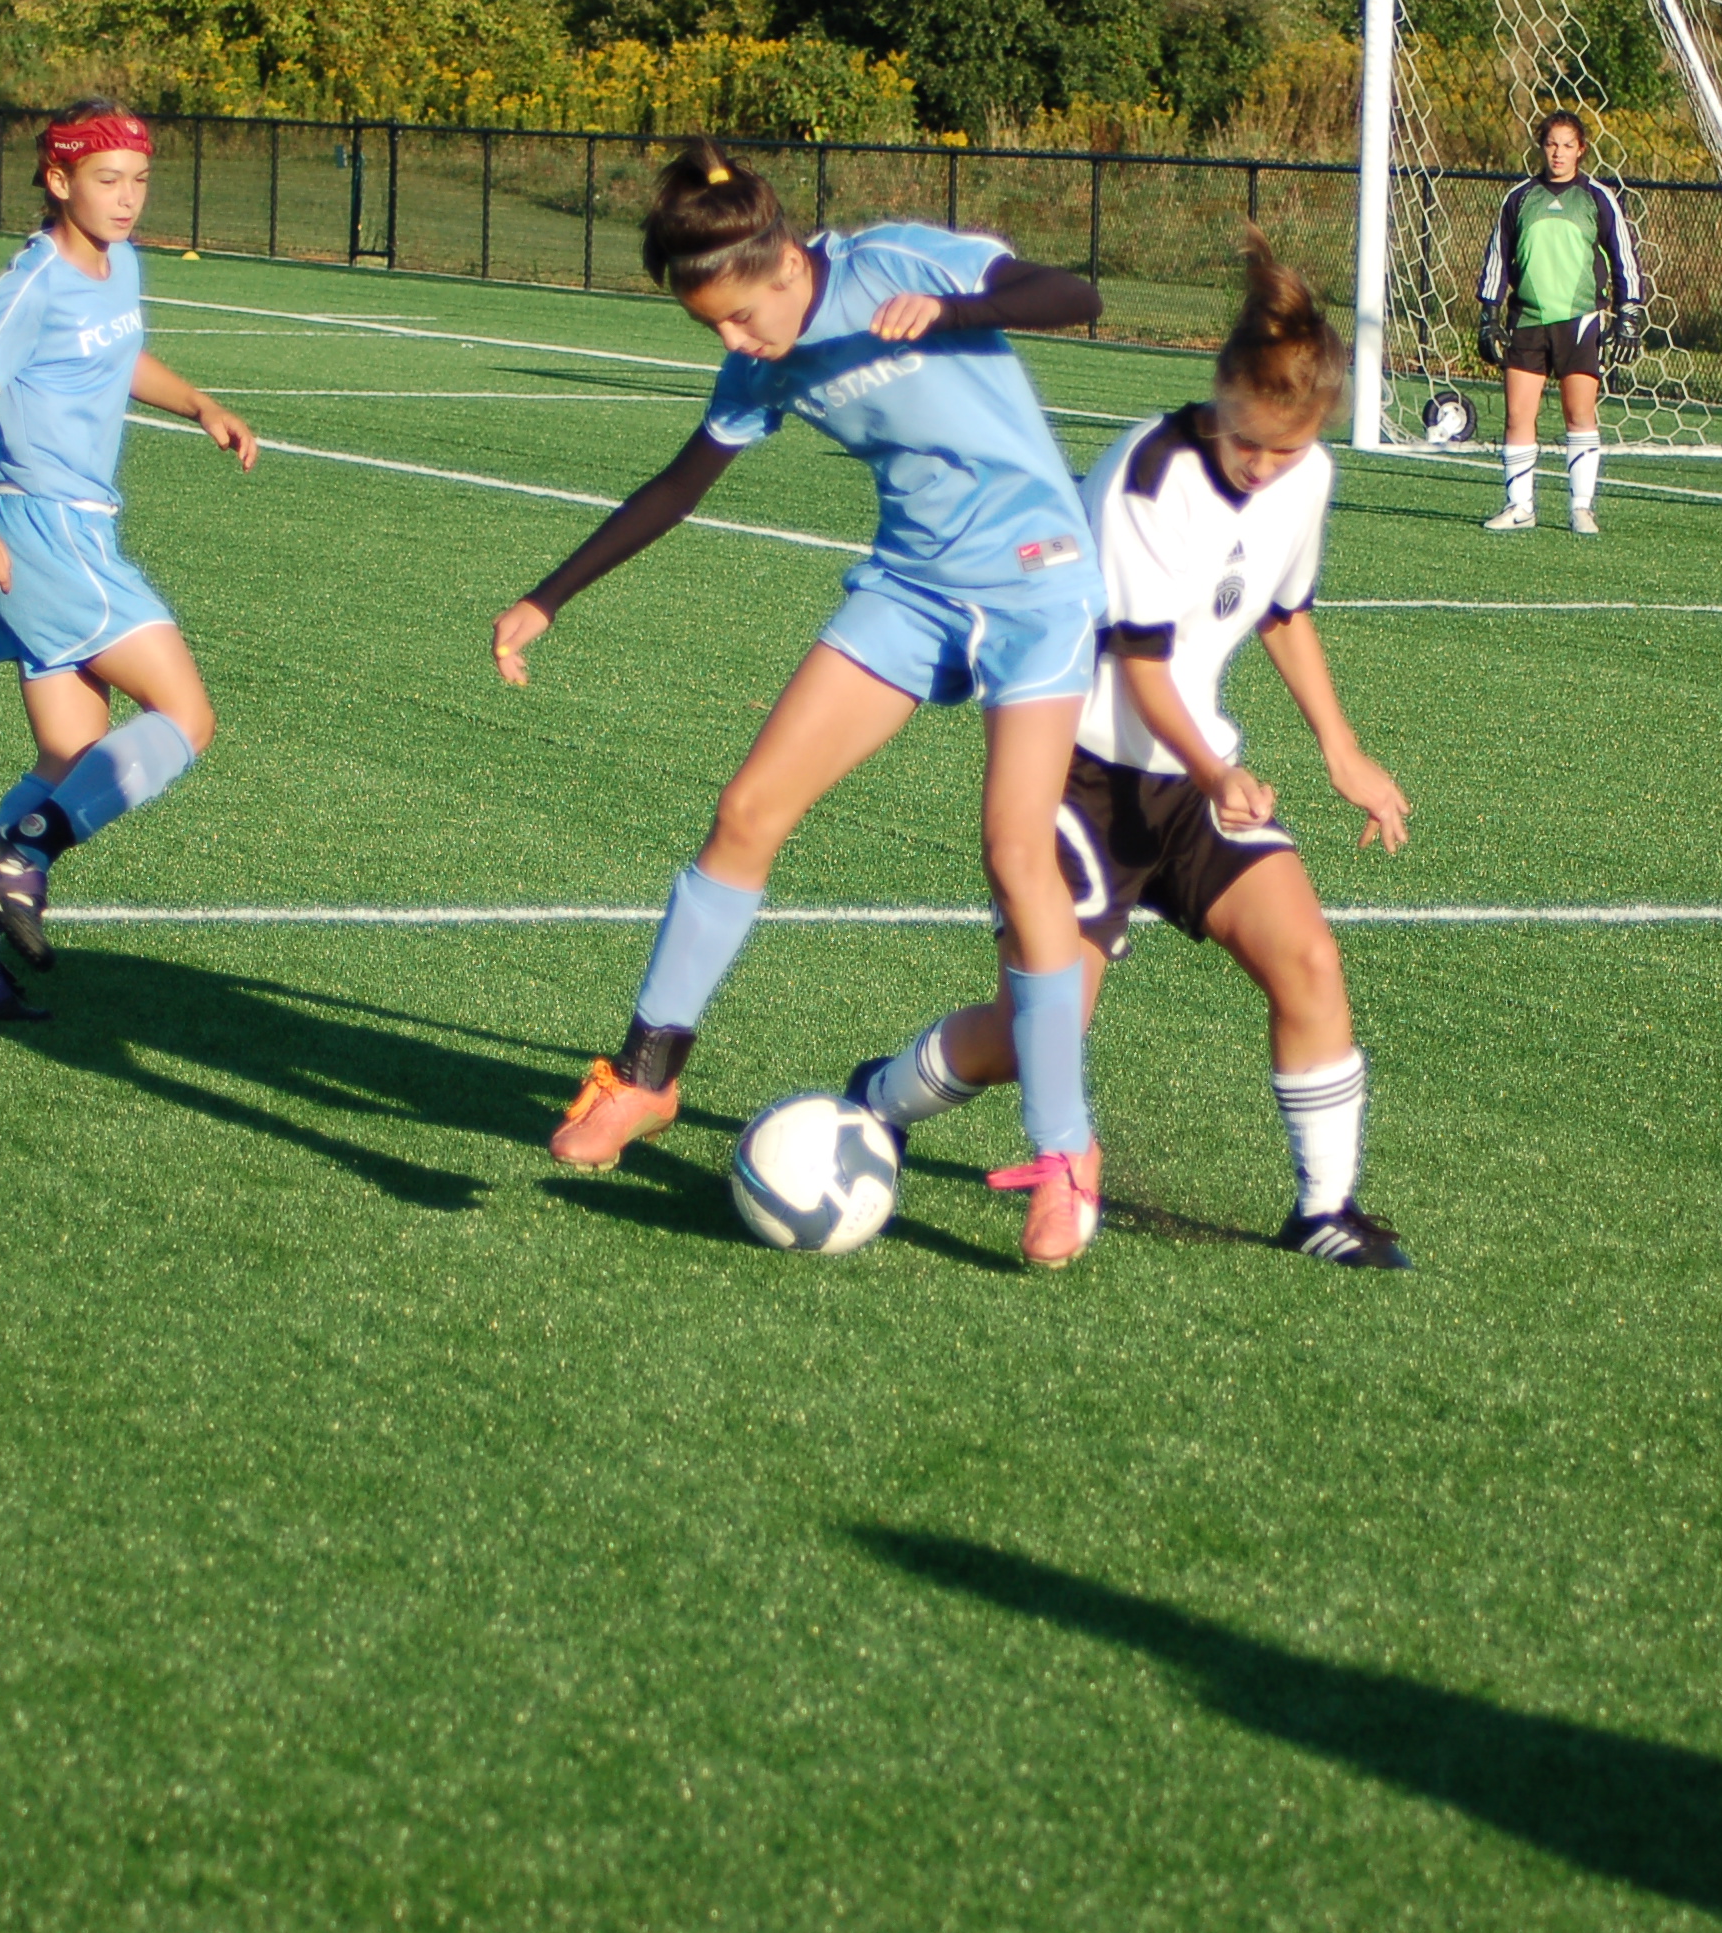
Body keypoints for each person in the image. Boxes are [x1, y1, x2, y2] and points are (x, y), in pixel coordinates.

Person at [489, 143, 1115, 1266]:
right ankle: (646, 1077)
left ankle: (1063, 1154)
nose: (735, 343)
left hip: (1038, 582)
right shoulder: (761, 360)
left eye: (739, 317)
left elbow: (1076, 296)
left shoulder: (895, 263)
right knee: (747, 810)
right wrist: (548, 595)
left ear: (785, 261)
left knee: (1015, 851)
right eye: (713, 329)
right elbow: (681, 483)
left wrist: (957, 310)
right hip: (910, 590)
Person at [847, 229, 1417, 1267]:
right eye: (1249, 443)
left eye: (1286, 450)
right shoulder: (1147, 478)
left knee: (1307, 958)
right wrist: (1217, 771)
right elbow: (1142, 667)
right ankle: (880, 1096)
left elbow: (1283, 611)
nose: (1263, 467)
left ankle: (1323, 1207)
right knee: (1041, 1029)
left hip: (1193, 780)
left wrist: (1342, 748)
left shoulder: (1307, 475)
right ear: (1219, 393)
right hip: (1082, 774)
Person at [0, 101, 257, 1022]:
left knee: (71, 755)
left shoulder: (119, 263)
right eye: (107, 180)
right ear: (58, 182)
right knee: (188, 716)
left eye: (139, 180)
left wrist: (200, 404)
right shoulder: (35, 282)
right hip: (43, 532)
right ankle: (17, 853)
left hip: (70, 534)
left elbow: (117, 356)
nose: (128, 198)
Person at [1475, 110, 1643, 536]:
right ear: (1541, 147)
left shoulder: (1597, 198)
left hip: (1579, 321)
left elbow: (1623, 258)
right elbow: (1498, 258)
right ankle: (1519, 506)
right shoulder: (1519, 198)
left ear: (1581, 150)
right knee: (1517, 416)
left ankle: (1581, 508)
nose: (1559, 153)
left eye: (1568, 145)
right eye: (1552, 144)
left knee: (1579, 414)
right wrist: (1488, 315)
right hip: (1528, 318)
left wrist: (1629, 312)